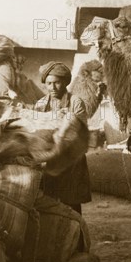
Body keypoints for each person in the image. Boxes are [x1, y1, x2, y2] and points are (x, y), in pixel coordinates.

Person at [34, 61, 90, 215]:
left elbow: (80, 131)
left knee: (71, 205)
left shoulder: (75, 102)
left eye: (57, 83)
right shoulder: (40, 104)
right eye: (49, 83)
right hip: (50, 160)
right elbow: (37, 131)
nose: (52, 87)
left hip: (72, 160)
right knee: (49, 203)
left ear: (65, 82)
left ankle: (76, 236)